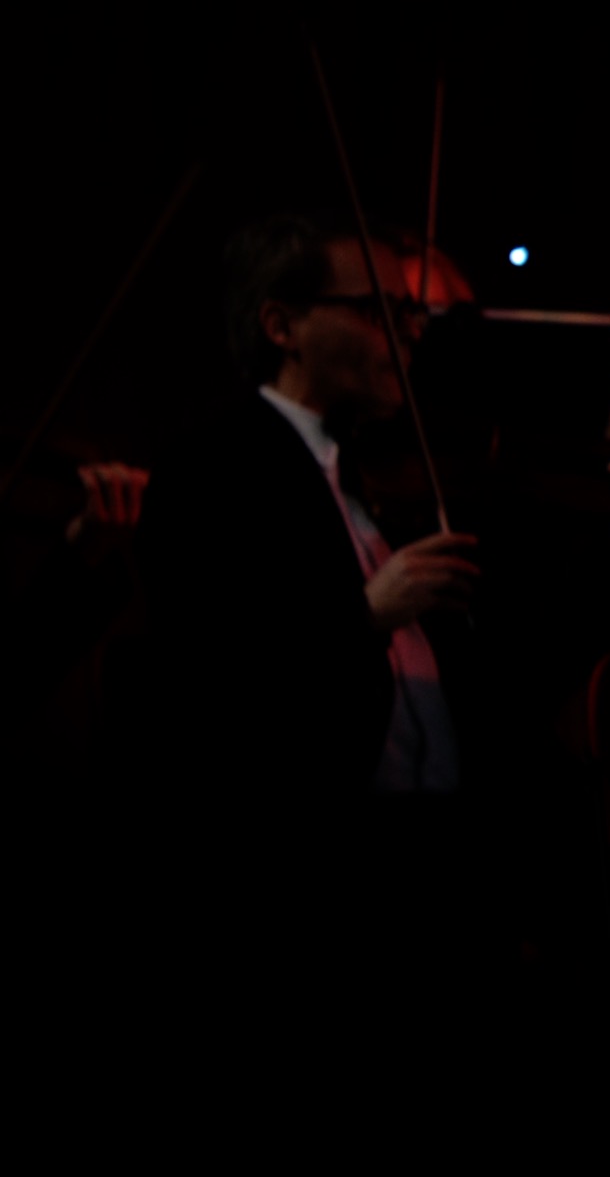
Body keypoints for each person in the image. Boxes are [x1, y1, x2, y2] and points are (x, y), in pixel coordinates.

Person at [125, 216, 488, 884]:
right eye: (374, 310)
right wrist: (365, 616)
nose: (409, 331)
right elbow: (213, 682)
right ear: (281, 328)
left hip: (440, 849)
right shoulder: (212, 473)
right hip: (305, 856)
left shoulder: (383, 471)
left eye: (408, 310)